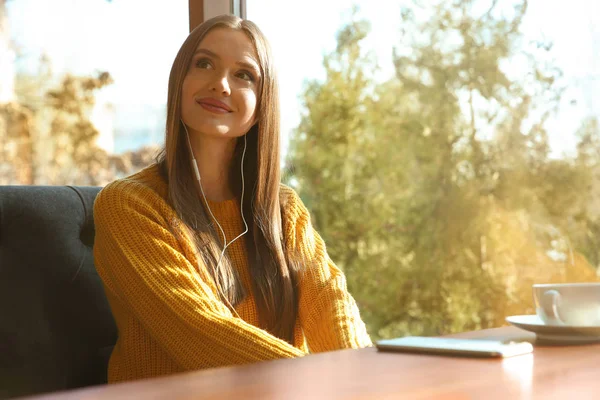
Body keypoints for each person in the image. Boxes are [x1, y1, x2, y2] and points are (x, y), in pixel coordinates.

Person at [93, 14, 372, 384]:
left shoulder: (284, 210)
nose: (220, 84)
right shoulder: (129, 205)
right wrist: (325, 382)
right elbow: (203, 334)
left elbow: (330, 304)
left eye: (244, 75)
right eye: (204, 63)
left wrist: (368, 378)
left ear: (261, 106)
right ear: (179, 82)